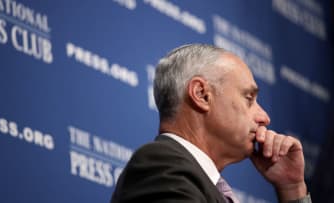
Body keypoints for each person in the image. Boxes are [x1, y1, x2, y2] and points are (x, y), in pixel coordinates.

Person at [111, 44, 311, 203]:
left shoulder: (199, 182)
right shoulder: (159, 166)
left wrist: (291, 189)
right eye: (249, 98)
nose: (264, 117)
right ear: (201, 95)